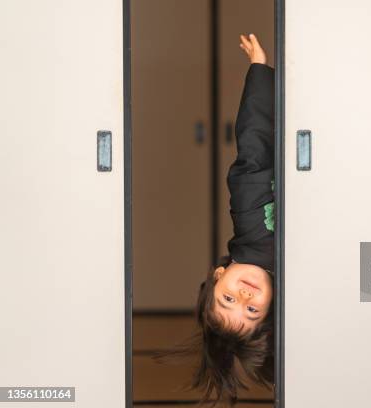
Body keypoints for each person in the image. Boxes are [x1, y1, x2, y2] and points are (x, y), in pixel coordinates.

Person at [153, 33, 275, 407]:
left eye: (227, 298)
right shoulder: (298, 276)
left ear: (218, 275)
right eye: (251, 310)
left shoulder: (250, 216)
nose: (244, 296)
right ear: (271, 308)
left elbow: (253, 142)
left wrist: (260, 71)